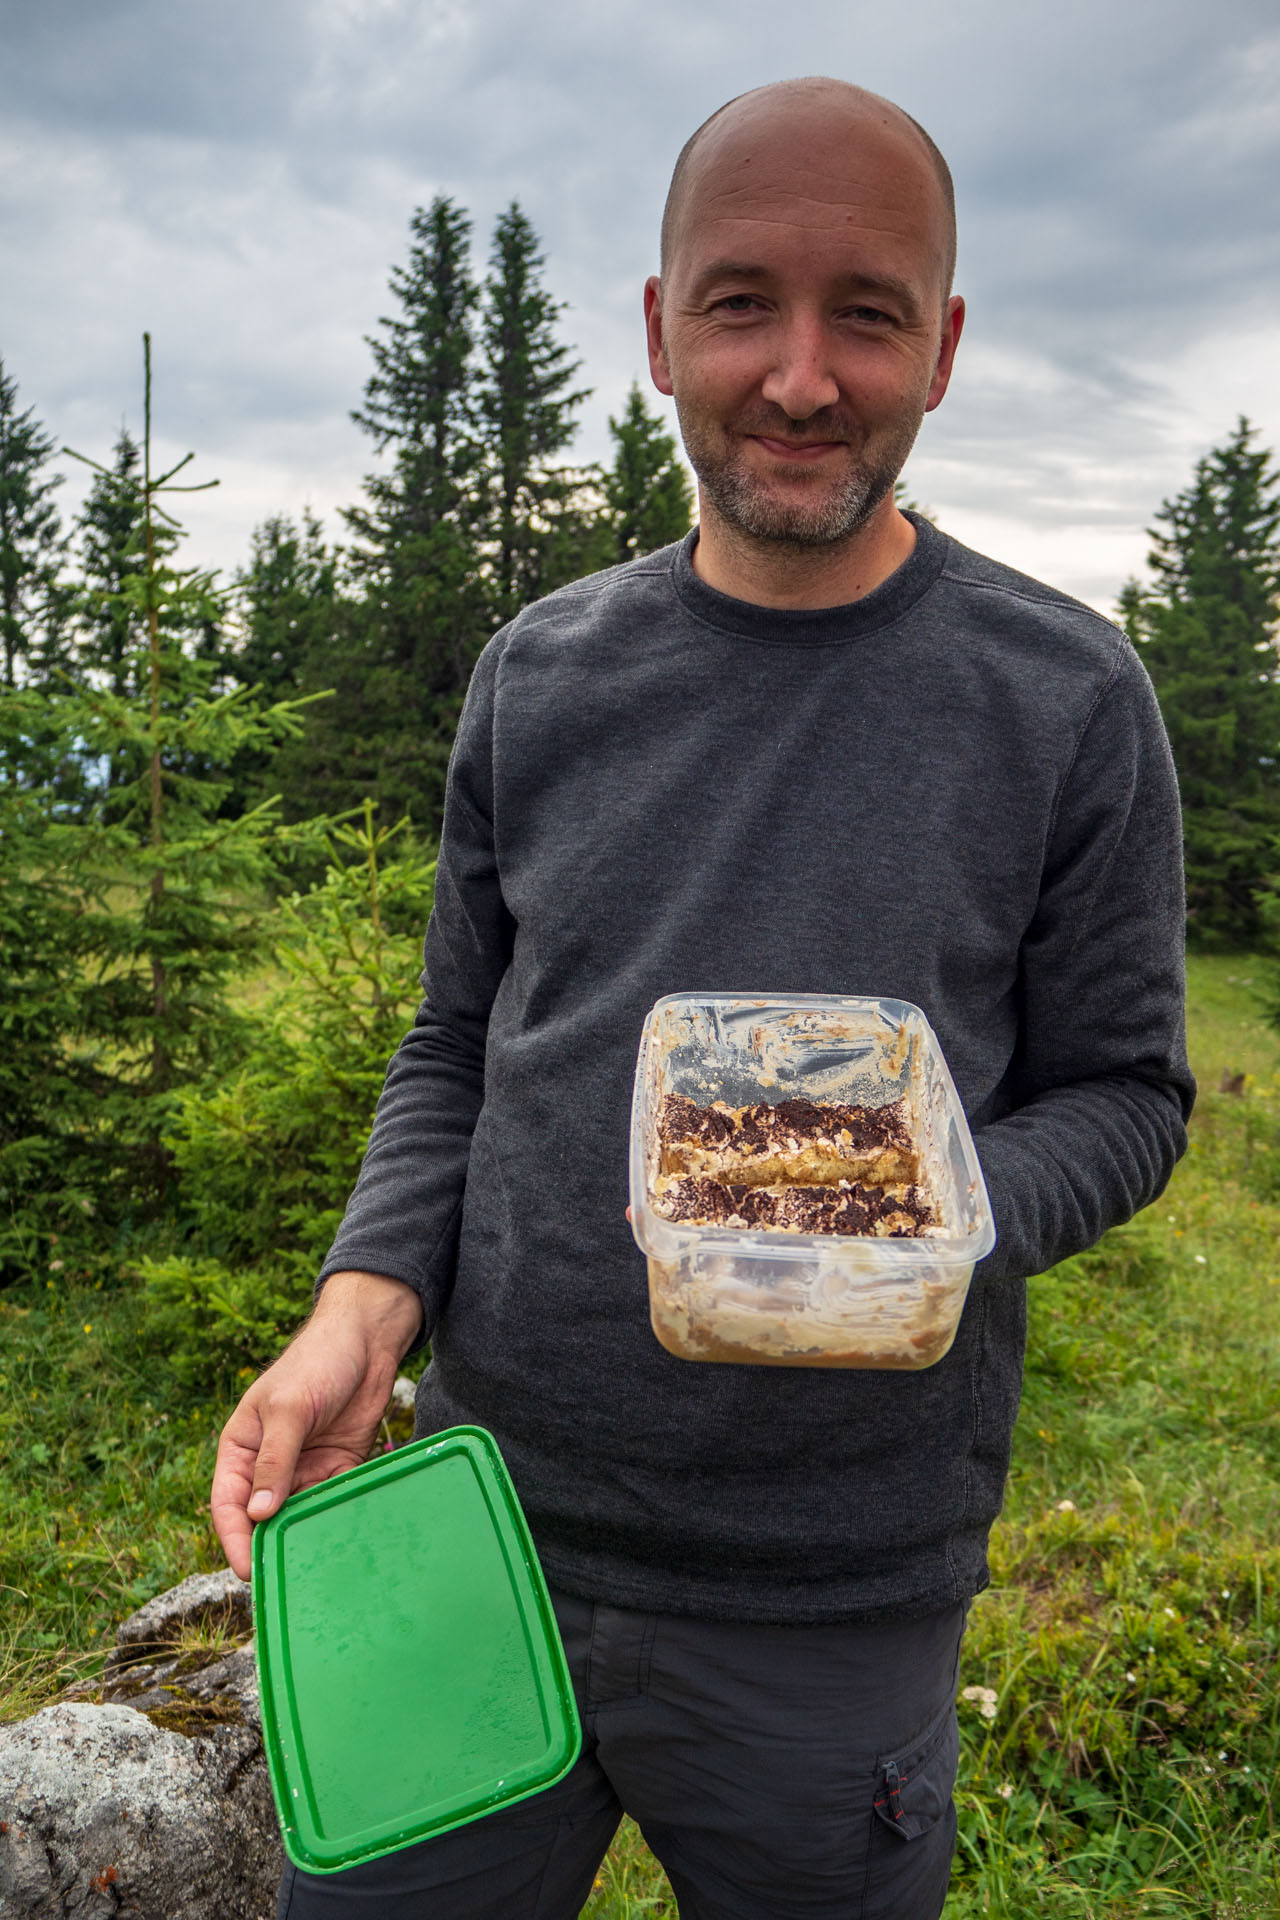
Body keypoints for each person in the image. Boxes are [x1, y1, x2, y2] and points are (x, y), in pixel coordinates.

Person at [212, 77, 1194, 1920]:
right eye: (742, 302)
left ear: (947, 347)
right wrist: (365, 1301)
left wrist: (934, 1214)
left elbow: (1133, 1093)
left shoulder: (1061, 701)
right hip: (480, 1512)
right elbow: (457, 1039)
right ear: (662, 329)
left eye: (870, 312)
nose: (803, 377)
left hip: (834, 1595)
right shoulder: (544, 677)